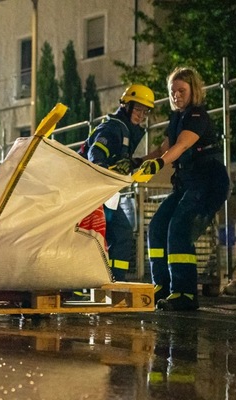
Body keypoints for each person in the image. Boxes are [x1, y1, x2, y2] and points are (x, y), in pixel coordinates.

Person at [136, 66, 229, 311]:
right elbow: (162, 149)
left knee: (180, 228)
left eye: (181, 90)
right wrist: (136, 162)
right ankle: (163, 289)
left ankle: (185, 294)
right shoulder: (178, 118)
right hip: (187, 184)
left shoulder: (197, 117)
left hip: (208, 182)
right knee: (157, 227)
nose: (176, 95)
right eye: (172, 91)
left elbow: (179, 147)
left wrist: (158, 164)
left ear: (193, 91)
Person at [81, 83, 154, 282]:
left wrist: (135, 163)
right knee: (96, 237)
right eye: (138, 108)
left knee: (121, 234)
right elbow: (95, 153)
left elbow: (117, 160)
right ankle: (84, 283)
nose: (141, 115)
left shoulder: (126, 131)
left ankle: (114, 281)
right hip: (93, 192)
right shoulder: (114, 128)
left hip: (105, 193)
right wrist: (103, 169)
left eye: (145, 111)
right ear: (126, 106)